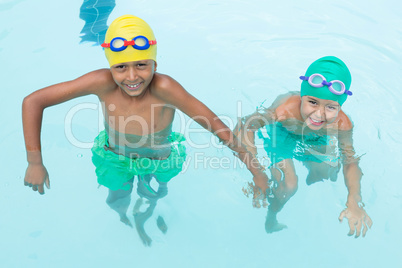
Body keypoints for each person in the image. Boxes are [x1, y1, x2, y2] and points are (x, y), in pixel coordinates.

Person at [22, 15, 269, 245]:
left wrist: (256, 171)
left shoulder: (166, 89)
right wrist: (35, 162)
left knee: (153, 192)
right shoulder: (101, 83)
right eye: (120, 67)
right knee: (116, 198)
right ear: (110, 67)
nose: (132, 76)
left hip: (159, 160)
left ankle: (147, 213)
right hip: (114, 157)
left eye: (141, 65)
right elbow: (33, 101)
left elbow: (219, 129)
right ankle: (124, 218)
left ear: (155, 62)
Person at [234, 56, 373, 238]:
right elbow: (245, 126)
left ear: (340, 106)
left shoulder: (342, 124)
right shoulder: (284, 111)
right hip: (283, 135)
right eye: (312, 102)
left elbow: (350, 162)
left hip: (315, 139)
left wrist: (354, 200)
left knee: (327, 172)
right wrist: (257, 171)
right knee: (289, 185)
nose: (318, 114)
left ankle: (312, 173)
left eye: (330, 107)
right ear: (302, 97)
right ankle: (271, 217)